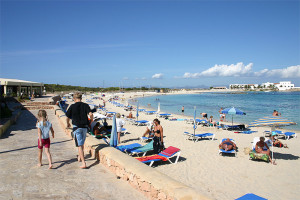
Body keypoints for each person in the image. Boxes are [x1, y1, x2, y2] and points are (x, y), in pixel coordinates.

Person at [66, 92, 93, 169]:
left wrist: (67, 123)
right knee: (81, 144)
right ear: (81, 98)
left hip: (77, 127)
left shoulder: (72, 106)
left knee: (79, 145)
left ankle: (84, 163)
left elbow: (67, 116)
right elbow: (90, 114)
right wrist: (91, 121)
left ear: (74, 99)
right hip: (84, 127)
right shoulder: (85, 105)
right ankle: (79, 157)